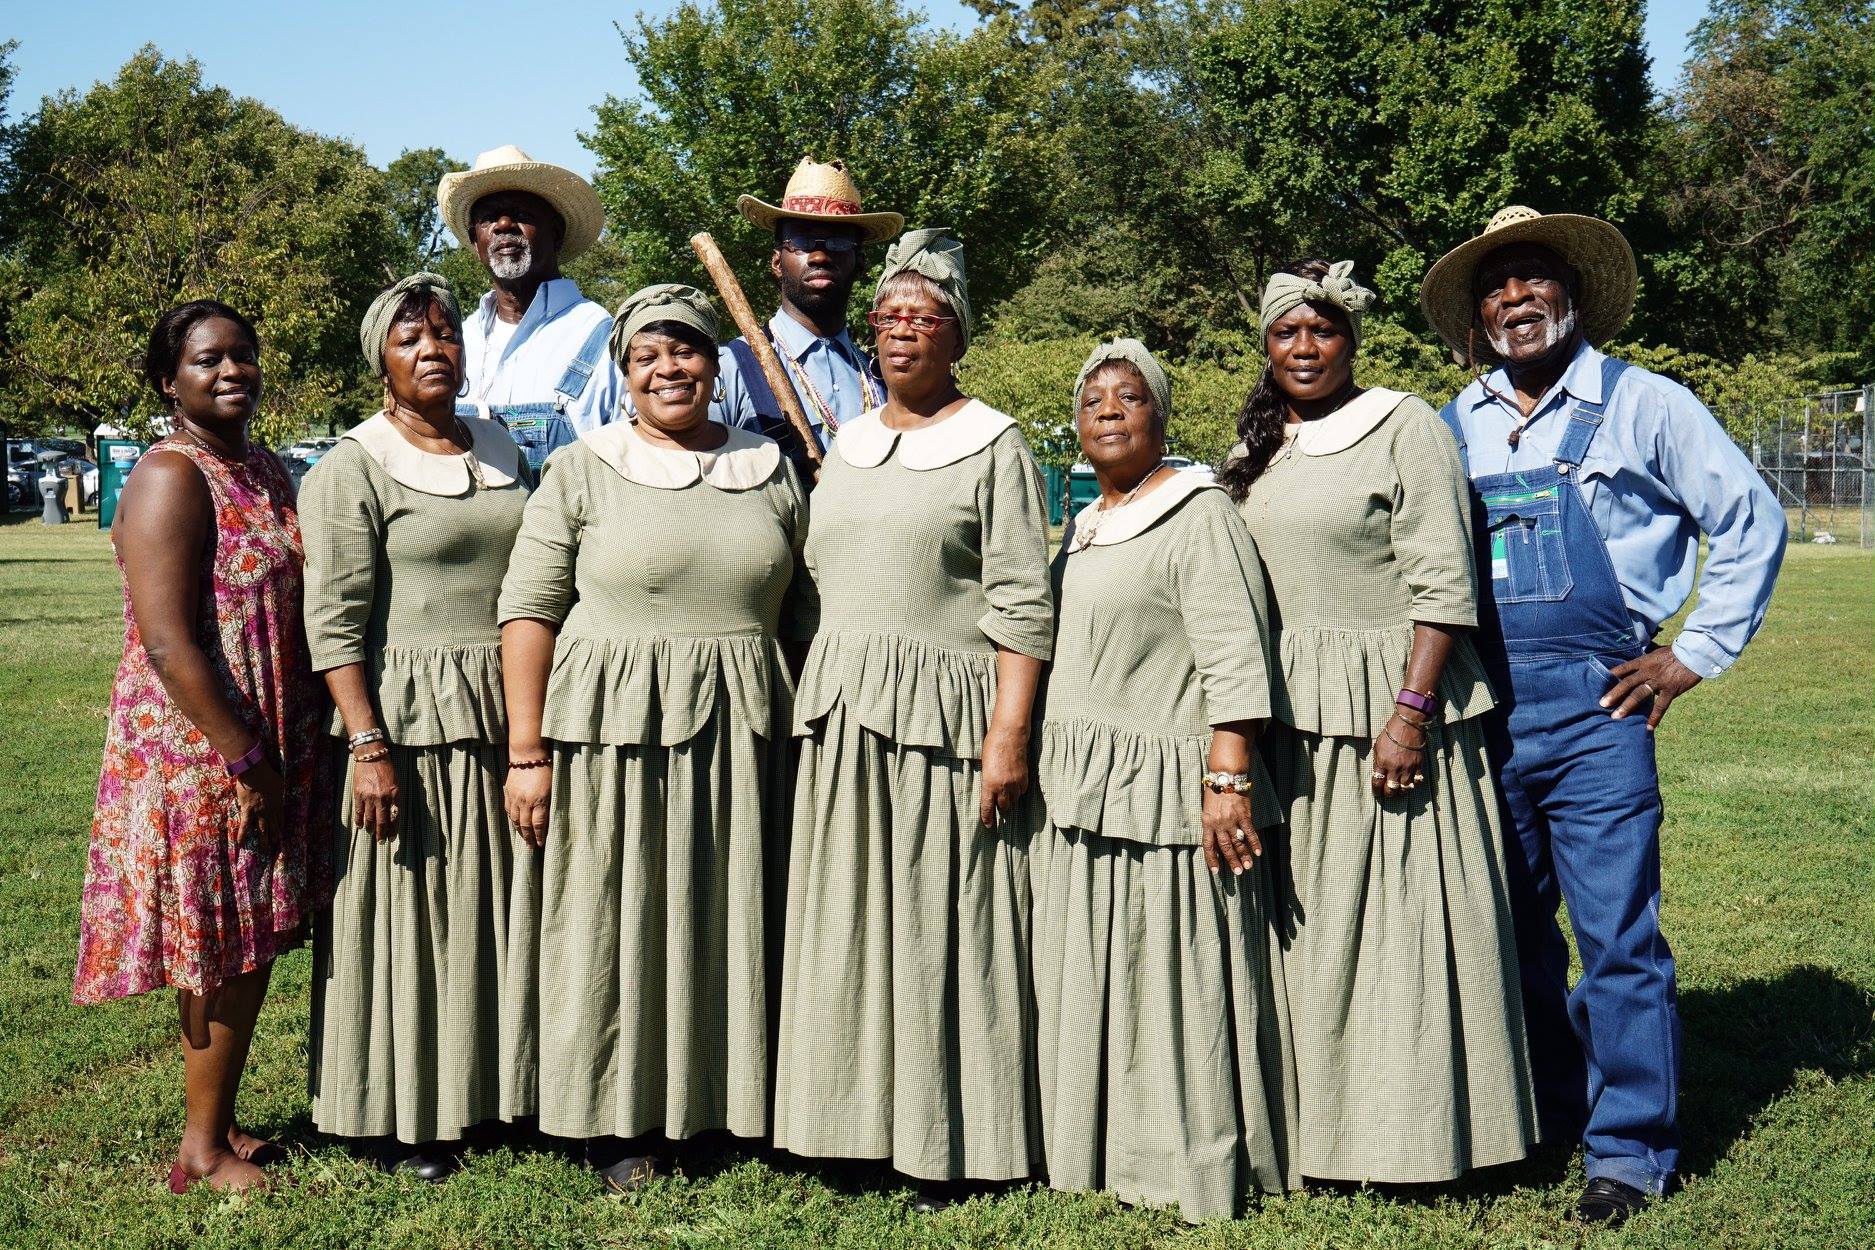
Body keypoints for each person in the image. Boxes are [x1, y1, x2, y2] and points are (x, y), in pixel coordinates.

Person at [1420, 207, 1788, 1225]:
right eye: (1495, 286)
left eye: (1533, 276)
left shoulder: (1645, 403)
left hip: (1598, 703)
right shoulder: (1453, 423)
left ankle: (1629, 1148)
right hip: (1487, 708)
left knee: (1617, 934)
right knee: (1513, 930)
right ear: (1478, 315)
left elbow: (1750, 518)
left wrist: (1691, 653)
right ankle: (1547, 1111)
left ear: (1572, 293)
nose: (1515, 298)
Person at [1218, 260, 1537, 1186]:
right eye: (1286, 332)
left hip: (1388, 710)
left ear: (1351, 340)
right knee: (1318, 931)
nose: (1304, 348)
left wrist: (1409, 714)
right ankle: (1324, 1132)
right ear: (1265, 345)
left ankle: (1424, 1139)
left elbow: (1444, 586)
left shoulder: (1403, 427)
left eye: (1322, 331)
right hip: (1292, 714)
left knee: (1404, 927)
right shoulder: (1257, 446)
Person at [497, 284, 810, 1193]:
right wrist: (527, 752)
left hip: (742, 727)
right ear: (625, 374)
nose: (669, 369)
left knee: (726, 910)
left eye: (686, 351)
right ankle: (616, 1114)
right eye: (647, 356)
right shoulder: (582, 468)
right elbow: (529, 609)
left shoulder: (768, 466)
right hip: (615, 730)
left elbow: (804, 609)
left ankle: (720, 1101)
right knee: (618, 916)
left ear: (715, 364)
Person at [773, 229, 1055, 1210]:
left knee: (943, 921)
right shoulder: (849, 446)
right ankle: (846, 1127)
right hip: (845, 716)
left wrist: (1008, 734)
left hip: (946, 718)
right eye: (887, 316)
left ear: (957, 334)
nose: (901, 331)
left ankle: (950, 1136)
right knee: (849, 921)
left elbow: (1022, 602)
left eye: (923, 317)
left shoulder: (995, 444)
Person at [1031, 339, 1297, 1220]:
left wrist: (1227, 778)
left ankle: (1188, 1157)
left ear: (1161, 414)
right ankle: (1098, 1147)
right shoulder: (1087, 523)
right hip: (1086, 779)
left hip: (1165, 779)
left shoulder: (1198, 512)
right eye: (1092, 400)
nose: (1107, 410)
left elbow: (1233, 652)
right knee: (1100, 973)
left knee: (1174, 976)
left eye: (1129, 396)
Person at [74, 301, 331, 1192]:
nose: (231, 372)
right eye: (208, 360)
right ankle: (200, 1151)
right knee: (223, 942)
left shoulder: (262, 468)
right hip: (202, 746)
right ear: (167, 381)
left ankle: (217, 1124)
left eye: (243, 355)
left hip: (266, 726)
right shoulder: (169, 474)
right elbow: (167, 640)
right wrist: (245, 757)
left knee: (242, 936)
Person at [299, 273, 532, 1181]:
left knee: (493, 906)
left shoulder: (501, 446)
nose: (433, 350)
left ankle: (494, 1090)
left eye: (445, 334)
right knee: (411, 914)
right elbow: (334, 622)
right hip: (406, 715)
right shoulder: (351, 466)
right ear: (381, 361)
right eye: (410, 339)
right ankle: (404, 1113)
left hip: (501, 706)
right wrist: (366, 744)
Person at [715, 157, 904, 481]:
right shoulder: (728, 369)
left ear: (859, 263)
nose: (819, 256)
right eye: (801, 242)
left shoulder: (880, 377)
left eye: (838, 241)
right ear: (777, 262)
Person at [437, 145, 623, 470]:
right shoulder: (460, 339)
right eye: (488, 218)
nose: (503, 225)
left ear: (556, 233)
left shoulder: (602, 337)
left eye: (521, 214)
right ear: (475, 242)